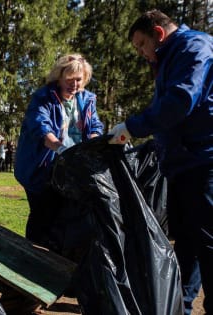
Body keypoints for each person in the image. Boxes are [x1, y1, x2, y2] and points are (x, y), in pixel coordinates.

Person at [108, 10, 212, 315]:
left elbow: (180, 102)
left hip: (203, 161)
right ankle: (182, 307)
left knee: (207, 241)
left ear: (158, 33)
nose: (141, 53)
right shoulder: (169, 60)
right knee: (188, 242)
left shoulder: (194, 48)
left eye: (141, 44)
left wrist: (131, 127)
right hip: (181, 164)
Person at [15, 53, 104, 247]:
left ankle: (55, 256)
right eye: (69, 79)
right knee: (42, 214)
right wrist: (61, 148)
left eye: (78, 79)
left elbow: (95, 126)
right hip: (42, 167)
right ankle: (32, 253)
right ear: (59, 77)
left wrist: (94, 143)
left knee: (65, 216)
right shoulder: (43, 97)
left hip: (73, 168)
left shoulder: (87, 99)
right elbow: (41, 128)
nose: (74, 84)